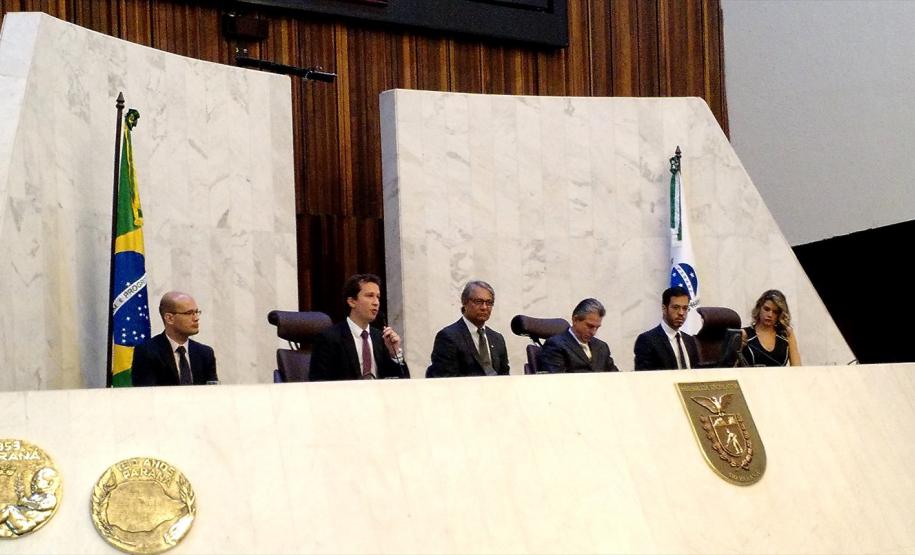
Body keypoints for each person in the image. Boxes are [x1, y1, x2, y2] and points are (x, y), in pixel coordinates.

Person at [310, 273, 410, 380]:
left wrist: (395, 353)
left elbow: (403, 381)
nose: (376, 303)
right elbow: (319, 383)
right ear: (352, 302)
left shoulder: (382, 339)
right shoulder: (329, 339)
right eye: (370, 296)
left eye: (378, 297)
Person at [132, 291, 218, 386]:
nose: (196, 318)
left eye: (197, 312)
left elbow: (212, 391)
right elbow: (146, 395)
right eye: (189, 313)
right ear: (169, 318)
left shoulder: (205, 353)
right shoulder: (147, 352)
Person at [426, 280, 510, 378]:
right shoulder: (448, 337)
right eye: (478, 302)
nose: (484, 307)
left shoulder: (497, 339)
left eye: (489, 303)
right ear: (464, 303)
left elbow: (505, 377)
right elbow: (445, 381)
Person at [537, 298, 619, 373]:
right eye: (590, 326)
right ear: (575, 320)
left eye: (597, 327)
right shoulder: (556, 345)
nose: (593, 332)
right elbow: (557, 381)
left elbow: (615, 377)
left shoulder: (602, 347)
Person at [633, 286, 701, 371]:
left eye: (685, 308)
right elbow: (644, 378)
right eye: (676, 307)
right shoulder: (647, 340)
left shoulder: (690, 340)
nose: (681, 313)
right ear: (664, 308)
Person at [741, 289, 801, 366]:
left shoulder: (786, 334)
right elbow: (730, 367)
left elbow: (797, 367)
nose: (770, 315)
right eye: (766, 309)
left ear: (780, 314)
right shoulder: (744, 334)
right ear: (759, 308)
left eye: (775, 312)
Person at [0, 467, 60, 537]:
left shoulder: (50, 498)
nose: (33, 483)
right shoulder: (36, 496)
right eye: (33, 480)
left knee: (9, 509)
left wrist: (25, 502)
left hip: (26, 525)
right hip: (19, 521)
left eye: (37, 481)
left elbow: (39, 506)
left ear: (49, 483)